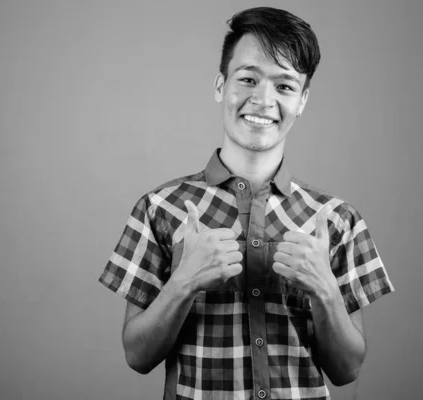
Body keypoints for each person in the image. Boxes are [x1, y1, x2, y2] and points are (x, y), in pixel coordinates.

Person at [98, 6, 394, 400]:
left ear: (303, 100)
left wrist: (325, 289)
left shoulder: (338, 220)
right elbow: (137, 355)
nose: (263, 99)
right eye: (248, 79)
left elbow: (347, 370)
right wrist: (183, 282)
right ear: (221, 85)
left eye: (285, 86)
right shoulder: (159, 208)